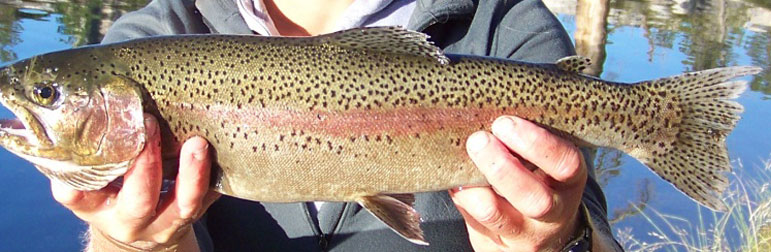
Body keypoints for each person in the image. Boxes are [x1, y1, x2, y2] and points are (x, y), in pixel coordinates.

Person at [49, 0, 623, 251]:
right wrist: (129, 244)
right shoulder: (150, 43)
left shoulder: (509, 29)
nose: (48, 107)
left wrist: (558, 245)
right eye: (49, 96)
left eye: (49, 96)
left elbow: (593, 236)